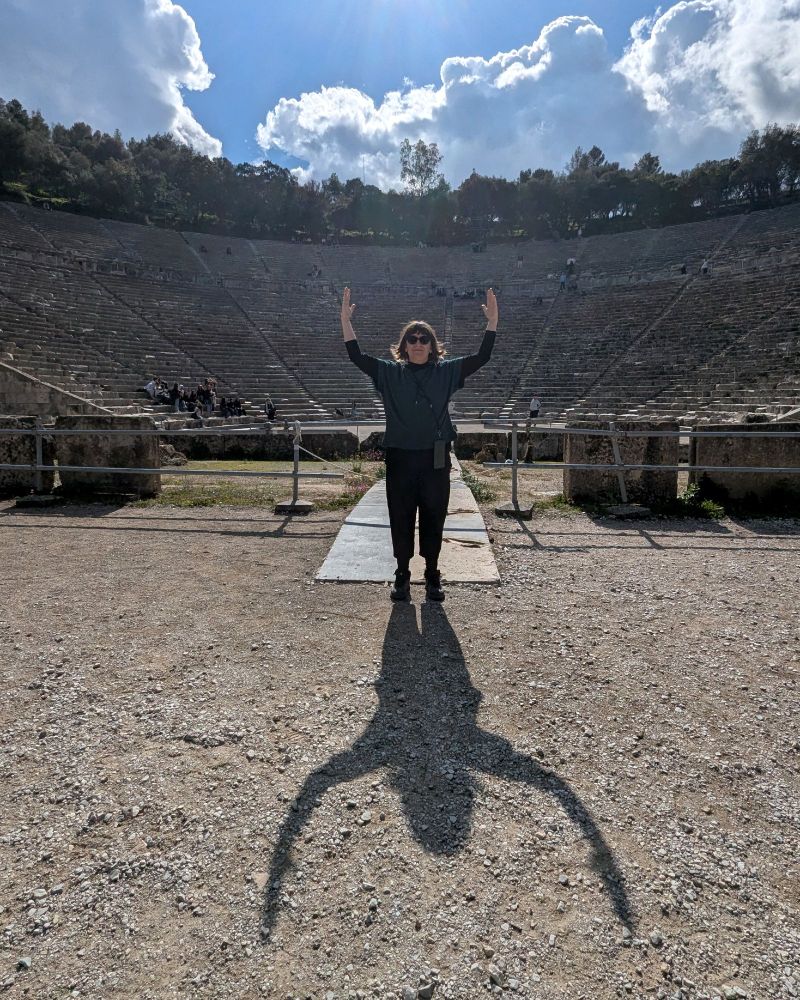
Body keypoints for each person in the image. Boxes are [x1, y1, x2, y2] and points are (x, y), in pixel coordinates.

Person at [341, 285, 499, 603]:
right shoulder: (389, 373)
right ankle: (401, 574)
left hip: (434, 459)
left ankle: (432, 574)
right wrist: (346, 321)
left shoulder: (446, 372)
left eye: (423, 338)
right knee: (400, 515)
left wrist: (492, 323)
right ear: (404, 345)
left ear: (431, 345)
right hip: (400, 457)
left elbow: (482, 357)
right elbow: (356, 356)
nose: (417, 343)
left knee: (433, 515)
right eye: (411, 339)